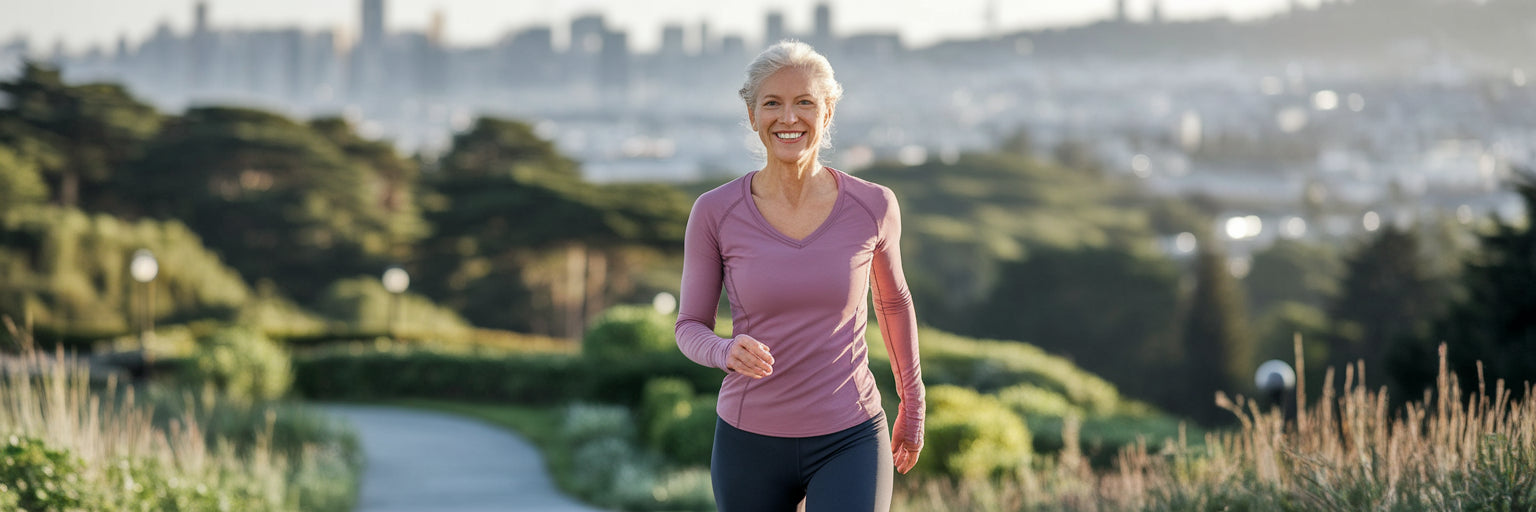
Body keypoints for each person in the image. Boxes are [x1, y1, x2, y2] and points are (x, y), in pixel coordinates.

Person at [674, 40, 925, 512]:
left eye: (804, 102)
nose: (788, 118)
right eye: (772, 103)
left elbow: (893, 304)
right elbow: (689, 325)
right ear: (752, 115)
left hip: (850, 435)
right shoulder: (715, 211)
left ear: (828, 111)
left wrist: (913, 402)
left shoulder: (873, 205)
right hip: (748, 440)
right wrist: (724, 350)